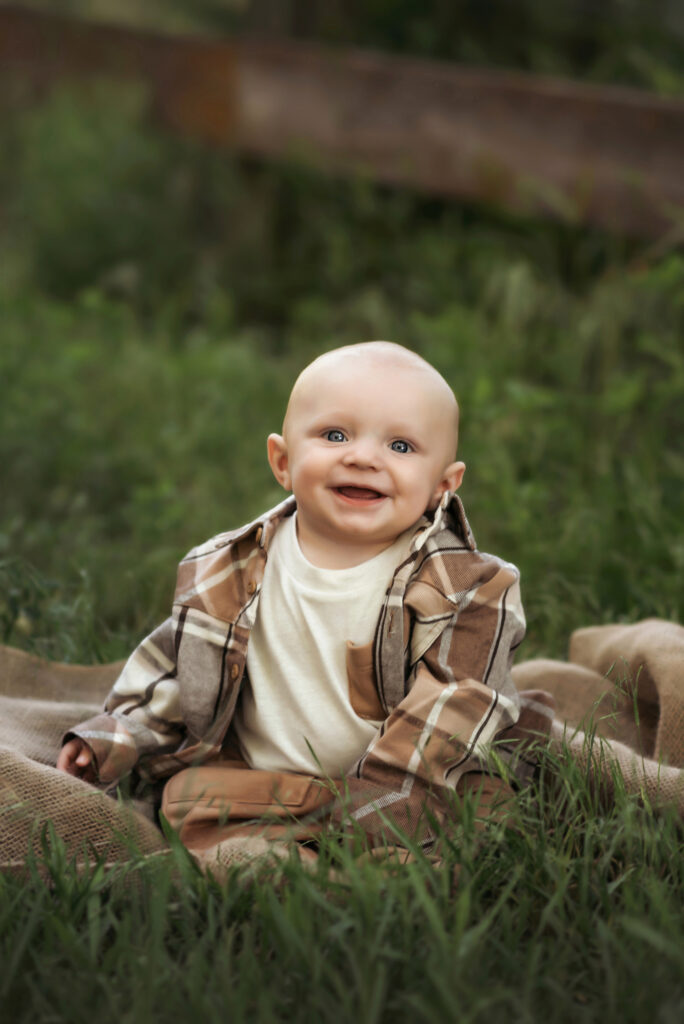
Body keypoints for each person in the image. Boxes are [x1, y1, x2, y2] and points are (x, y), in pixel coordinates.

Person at [57, 341, 526, 857]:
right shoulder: (226, 569)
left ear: (443, 485)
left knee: (481, 807)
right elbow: (177, 674)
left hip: (405, 791)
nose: (362, 457)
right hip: (269, 784)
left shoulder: (469, 588)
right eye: (334, 434)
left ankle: (355, 860)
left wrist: (381, 807)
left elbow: (454, 705)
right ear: (283, 460)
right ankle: (291, 852)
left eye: (400, 447)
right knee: (187, 799)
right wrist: (113, 738)